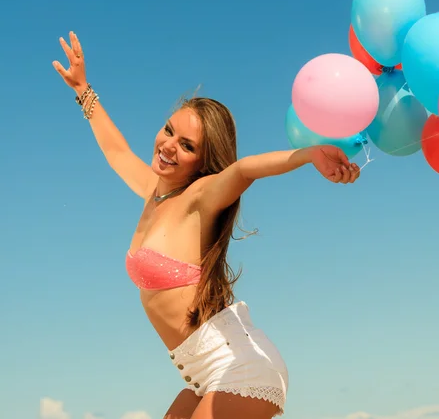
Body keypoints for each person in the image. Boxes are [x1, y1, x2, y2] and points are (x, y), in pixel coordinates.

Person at [52, 32, 361, 419]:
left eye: (187, 145)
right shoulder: (154, 193)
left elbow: (245, 169)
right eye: (168, 131)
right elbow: (116, 150)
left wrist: (309, 154)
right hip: (202, 375)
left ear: (203, 163)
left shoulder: (199, 199)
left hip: (241, 370)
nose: (168, 146)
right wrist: (83, 89)